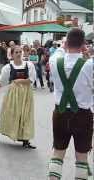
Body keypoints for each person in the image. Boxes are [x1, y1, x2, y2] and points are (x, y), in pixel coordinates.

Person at [48, 28, 93, 180]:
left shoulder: (54, 61)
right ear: (84, 45)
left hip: (60, 113)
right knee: (81, 157)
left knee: (58, 153)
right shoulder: (90, 65)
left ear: (66, 43)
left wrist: (64, 45)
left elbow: (60, 51)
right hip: (82, 115)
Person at [0, 45, 36, 149]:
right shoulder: (8, 67)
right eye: (16, 52)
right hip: (13, 94)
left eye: (20, 52)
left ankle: (25, 140)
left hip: (25, 94)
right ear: (12, 55)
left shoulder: (29, 65)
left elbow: (31, 79)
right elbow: (0, 81)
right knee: (7, 113)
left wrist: (19, 81)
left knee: (25, 115)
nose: (19, 54)